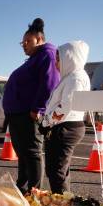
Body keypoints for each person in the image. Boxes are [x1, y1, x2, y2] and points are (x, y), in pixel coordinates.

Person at [2, 18, 60, 194]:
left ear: (40, 39)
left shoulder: (47, 54)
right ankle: (23, 187)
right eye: (22, 42)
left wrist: (38, 109)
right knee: (23, 154)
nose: (24, 45)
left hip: (28, 114)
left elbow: (50, 83)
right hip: (18, 114)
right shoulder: (34, 58)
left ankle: (34, 192)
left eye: (28, 41)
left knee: (32, 153)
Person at [41, 41, 90, 194]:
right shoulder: (72, 77)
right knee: (58, 170)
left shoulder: (75, 78)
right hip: (65, 125)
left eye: (58, 59)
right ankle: (61, 203)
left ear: (70, 58)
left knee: (57, 172)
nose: (56, 63)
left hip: (65, 127)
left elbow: (65, 107)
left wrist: (46, 122)